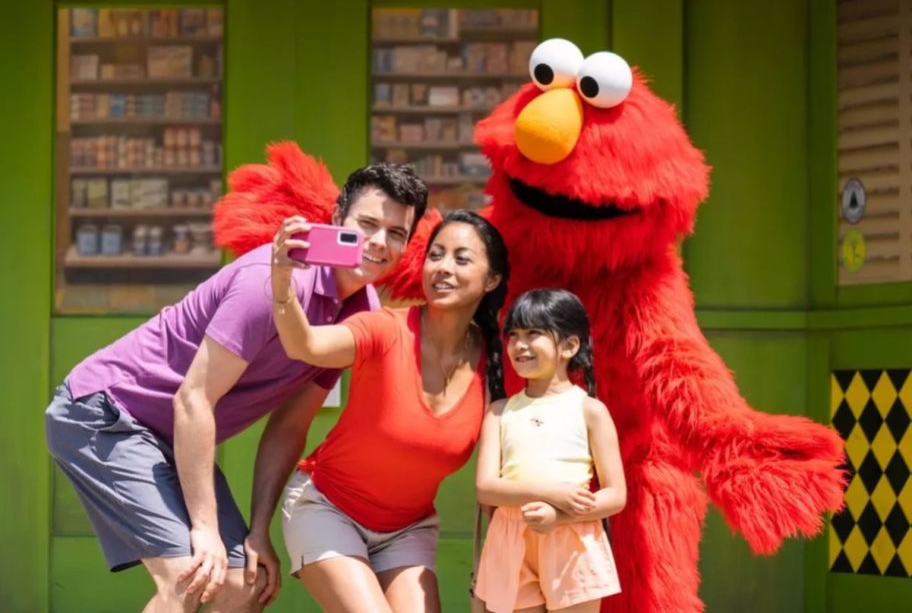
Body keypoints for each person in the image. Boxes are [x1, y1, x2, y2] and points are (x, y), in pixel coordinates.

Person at [44, 162, 427, 612]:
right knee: (191, 576)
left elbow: (290, 426)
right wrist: (204, 529)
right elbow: (194, 398)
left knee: (245, 585)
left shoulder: (360, 316)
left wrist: (258, 530)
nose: (380, 242)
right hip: (105, 413)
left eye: (396, 232)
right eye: (366, 224)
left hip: (169, 437)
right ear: (337, 218)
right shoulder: (272, 280)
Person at [264, 209, 509, 612]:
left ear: (492, 279)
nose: (443, 268)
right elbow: (304, 345)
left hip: (408, 530)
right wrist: (281, 281)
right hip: (327, 508)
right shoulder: (384, 328)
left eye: (461, 259)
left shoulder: (495, 363)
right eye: (436, 255)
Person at [474, 288, 626, 613]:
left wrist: (559, 515)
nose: (520, 345)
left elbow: (615, 495)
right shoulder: (499, 412)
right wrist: (550, 492)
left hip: (573, 540)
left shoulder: (590, 410)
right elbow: (486, 488)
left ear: (570, 346)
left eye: (534, 334)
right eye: (513, 335)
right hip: (511, 540)